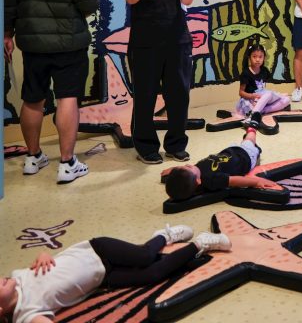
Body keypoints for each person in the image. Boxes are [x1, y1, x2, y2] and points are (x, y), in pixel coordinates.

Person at [3, 0, 98, 184]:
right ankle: (67, 163)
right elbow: (89, 5)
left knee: (32, 99)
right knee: (68, 97)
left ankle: (33, 157)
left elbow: (9, 3)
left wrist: (7, 33)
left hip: (32, 43)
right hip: (69, 43)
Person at [0, 224, 231, 323]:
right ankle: (200, 243)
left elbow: (43, 257)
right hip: (102, 278)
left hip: (97, 249)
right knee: (152, 275)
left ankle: (165, 236)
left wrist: (42, 254)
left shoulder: (17, 275)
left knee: (145, 257)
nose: (1, 279)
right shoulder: (27, 314)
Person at [124, 0, 195, 165]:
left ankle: (176, 144)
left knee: (179, 96)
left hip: (178, 40)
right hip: (145, 42)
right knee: (145, 96)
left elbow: (188, 0)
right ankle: (145, 146)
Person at [163, 127, 279, 201]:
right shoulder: (212, 180)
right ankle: (252, 128)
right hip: (245, 156)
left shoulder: (195, 174)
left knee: (246, 142)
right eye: (188, 167)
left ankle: (252, 143)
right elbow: (235, 180)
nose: (188, 165)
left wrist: (174, 169)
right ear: (198, 181)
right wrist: (257, 182)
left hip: (230, 151)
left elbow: (185, 174)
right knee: (249, 140)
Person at [234, 43, 290, 125]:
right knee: (270, 94)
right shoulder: (246, 73)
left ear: (264, 58)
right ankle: (252, 116)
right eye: (254, 56)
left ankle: (261, 110)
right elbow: (241, 92)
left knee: (287, 100)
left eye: (260, 57)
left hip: (263, 98)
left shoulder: (264, 71)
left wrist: (264, 97)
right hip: (251, 101)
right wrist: (253, 96)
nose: (257, 59)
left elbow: (263, 89)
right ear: (249, 58)